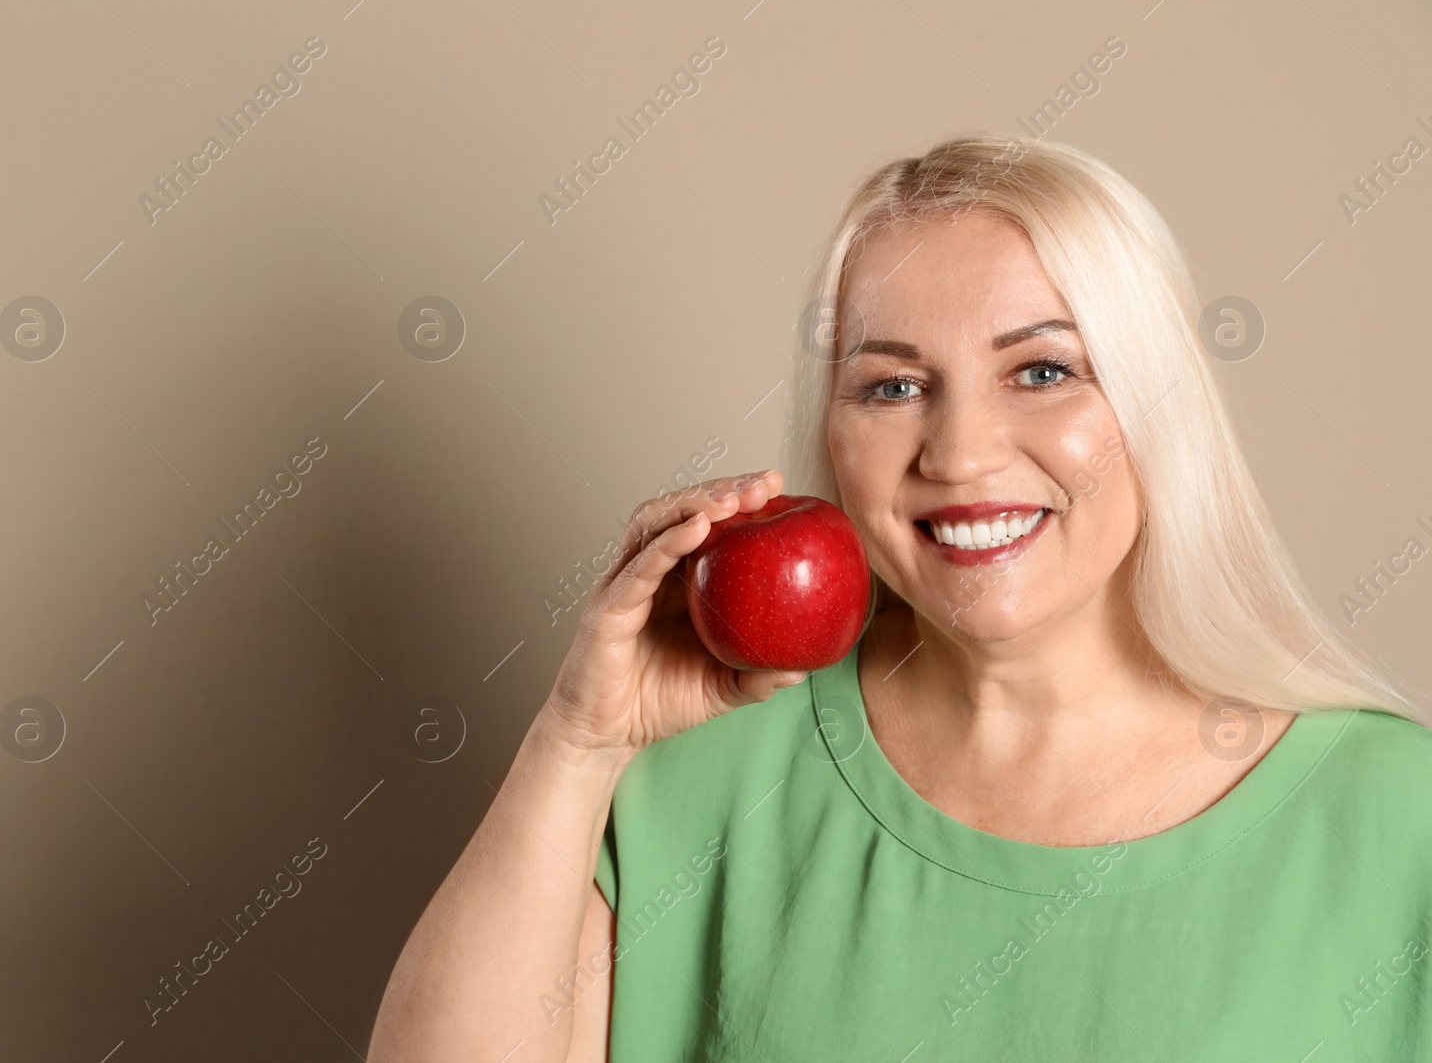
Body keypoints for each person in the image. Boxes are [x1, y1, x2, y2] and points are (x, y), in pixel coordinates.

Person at [366, 136, 1432, 1061]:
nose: (961, 453)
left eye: (1043, 370)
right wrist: (576, 740)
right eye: (891, 385)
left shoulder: (1394, 817)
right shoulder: (693, 777)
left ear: (1158, 404)